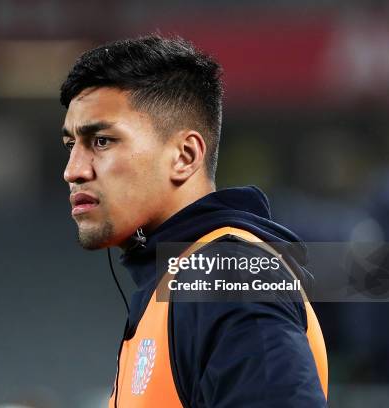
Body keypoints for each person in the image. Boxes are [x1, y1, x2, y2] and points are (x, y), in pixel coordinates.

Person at [59, 35, 328, 407]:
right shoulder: (176, 280)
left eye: (101, 141)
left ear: (185, 155)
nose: (72, 171)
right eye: (71, 145)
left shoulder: (225, 274)